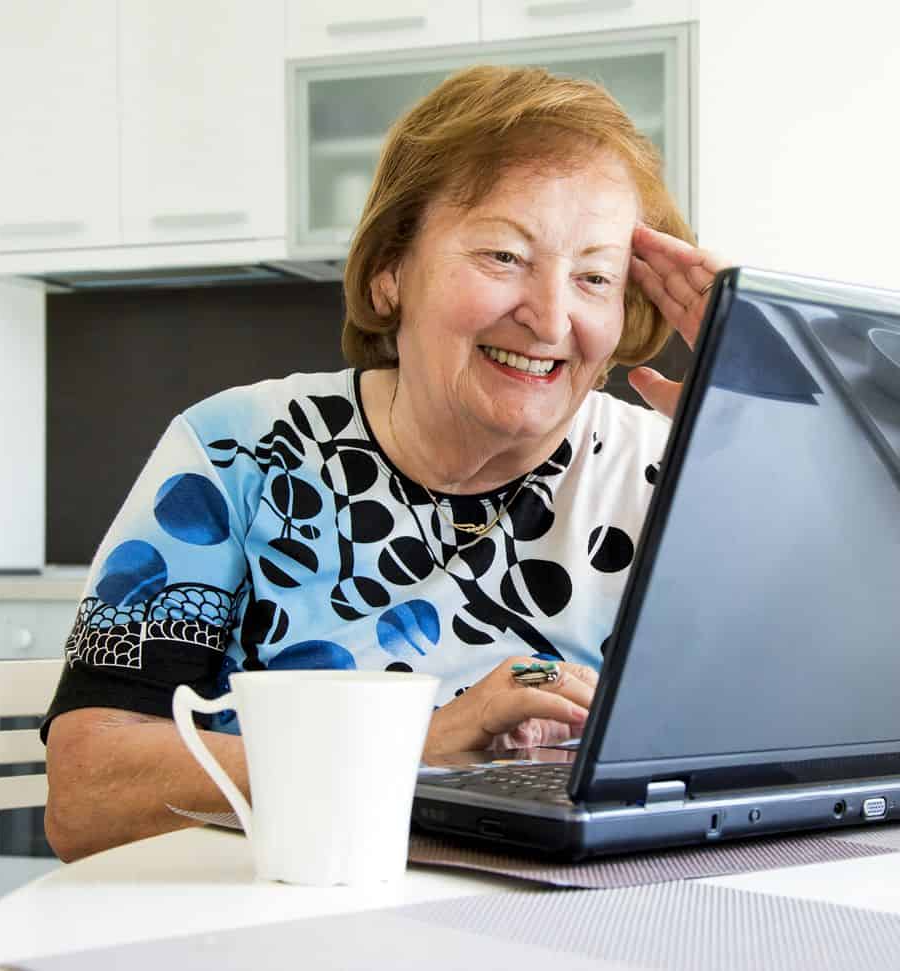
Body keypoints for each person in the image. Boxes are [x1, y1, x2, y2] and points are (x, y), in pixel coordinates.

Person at [42, 65, 725, 861]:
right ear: (390, 270)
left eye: (594, 277)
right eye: (505, 255)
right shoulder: (238, 453)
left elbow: (795, 757)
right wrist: (425, 748)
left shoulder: (666, 474)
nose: (549, 316)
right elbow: (84, 795)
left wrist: (768, 456)